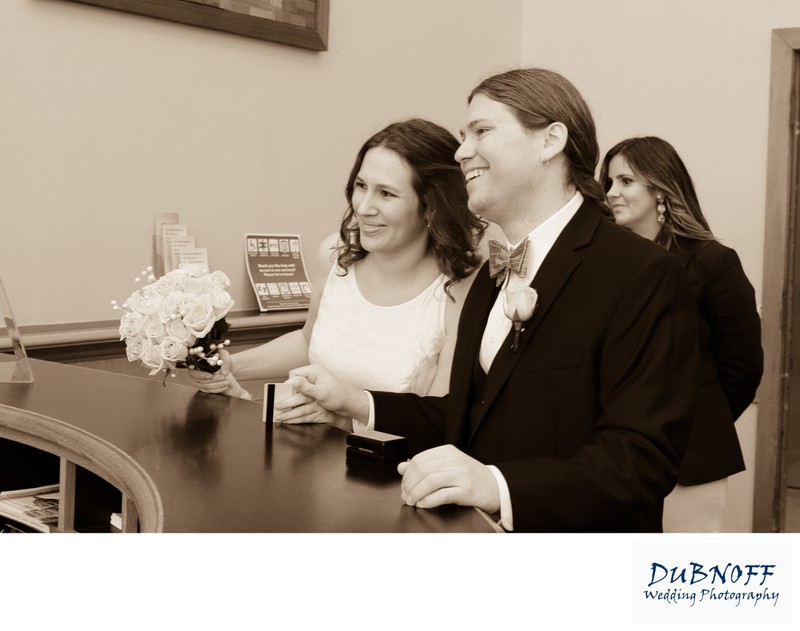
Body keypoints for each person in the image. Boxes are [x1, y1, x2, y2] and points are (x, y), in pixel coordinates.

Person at [284, 67, 700, 532]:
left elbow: (642, 458)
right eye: (463, 136)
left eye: (481, 131)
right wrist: (357, 401)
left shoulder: (640, 273)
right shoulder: (491, 273)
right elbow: (466, 414)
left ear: (550, 141)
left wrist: (496, 486)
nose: (462, 152)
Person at [190, 118, 486, 416]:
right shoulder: (335, 255)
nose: (364, 207)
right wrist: (231, 366)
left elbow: (440, 417)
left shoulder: (461, 287)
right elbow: (310, 341)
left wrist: (345, 419)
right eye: (361, 186)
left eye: (387, 193)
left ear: (432, 205)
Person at [600, 136, 763, 532]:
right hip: (612, 459)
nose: (611, 194)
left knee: (683, 577)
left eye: (625, 181)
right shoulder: (604, 267)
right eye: (608, 183)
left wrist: (696, 423)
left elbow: (742, 368)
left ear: (660, 188)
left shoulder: (712, 261)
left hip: (690, 459)